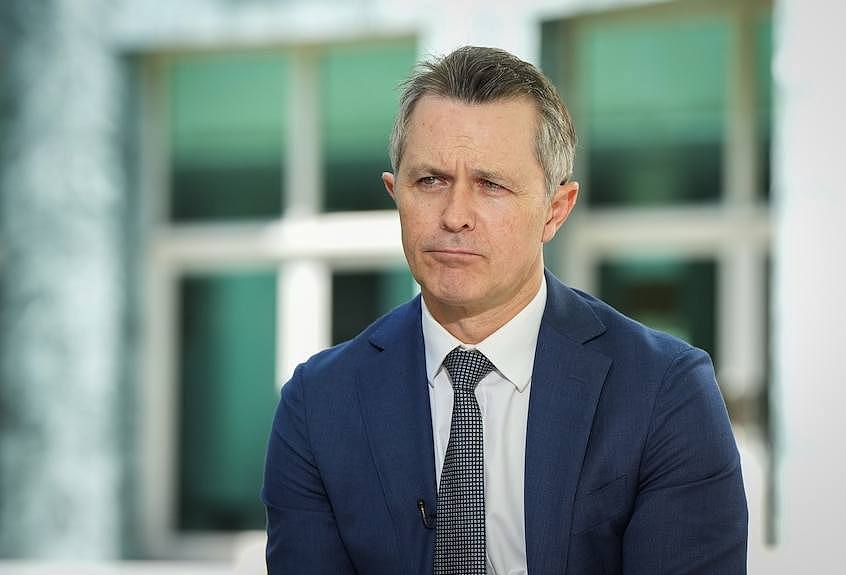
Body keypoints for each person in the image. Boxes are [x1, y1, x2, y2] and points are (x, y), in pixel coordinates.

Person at [262, 45, 747, 574]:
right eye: (430, 181)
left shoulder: (663, 390)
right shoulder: (319, 404)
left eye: (490, 185)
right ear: (394, 193)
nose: (455, 216)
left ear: (555, 211)